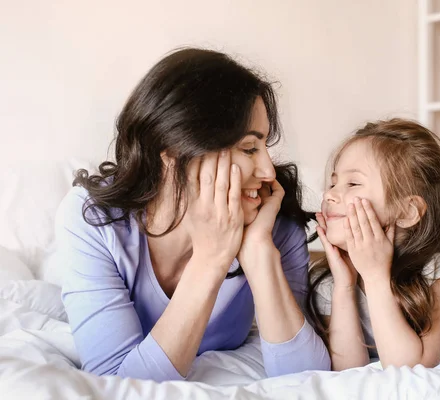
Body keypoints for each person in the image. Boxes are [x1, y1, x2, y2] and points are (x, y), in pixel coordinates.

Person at [55, 48, 330, 382]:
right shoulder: (92, 220)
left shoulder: (272, 223)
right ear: (174, 147)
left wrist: (259, 253)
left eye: (264, 148)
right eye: (248, 148)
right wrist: (212, 257)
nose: (268, 170)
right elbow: (117, 384)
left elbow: (307, 379)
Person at [306, 118, 440, 371]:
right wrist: (344, 286)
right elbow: (348, 370)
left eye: (353, 183)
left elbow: (411, 366)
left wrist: (375, 277)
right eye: (333, 182)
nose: (329, 194)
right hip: (416, 233)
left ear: (406, 211)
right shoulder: (329, 278)